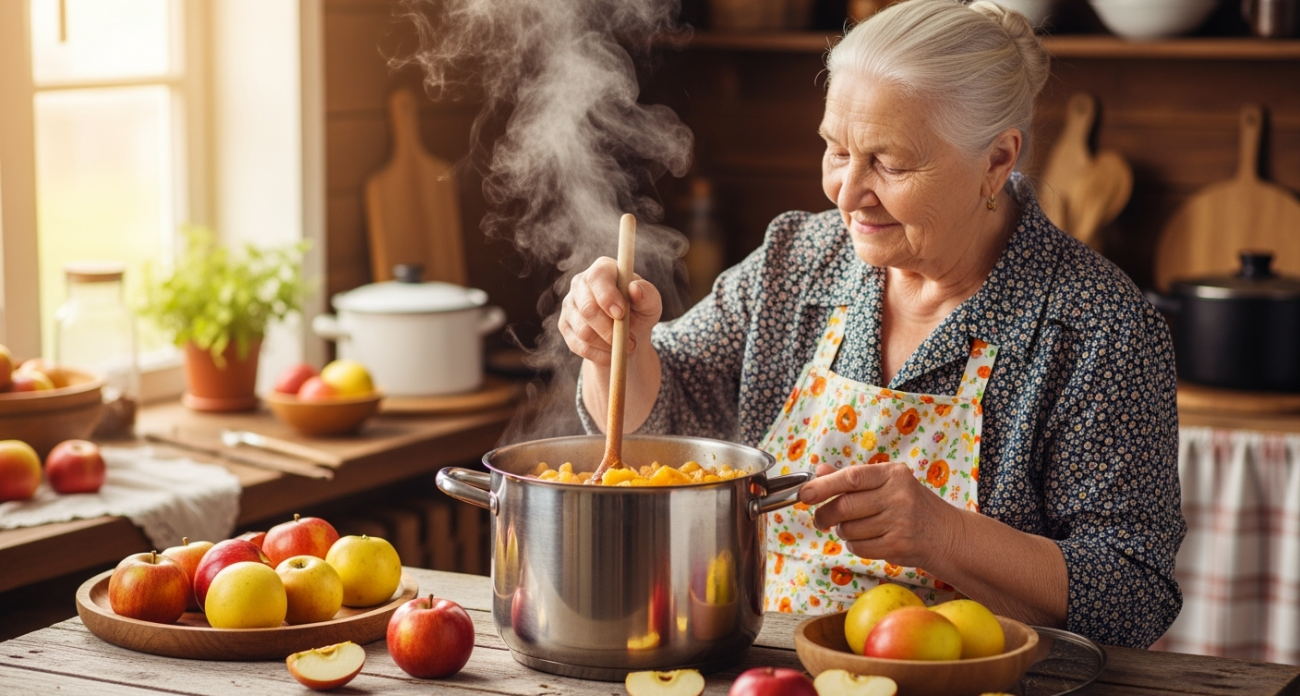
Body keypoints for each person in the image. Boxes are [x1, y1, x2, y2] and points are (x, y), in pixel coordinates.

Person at [558, 0, 1185, 648]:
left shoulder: (1100, 329)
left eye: (889, 163)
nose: (846, 191)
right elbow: (662, 421)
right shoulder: (794, 261)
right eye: (835, 149)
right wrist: (616, 350)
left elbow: (1132, 591)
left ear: (997, 161)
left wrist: (944, 536)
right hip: (765, 675)